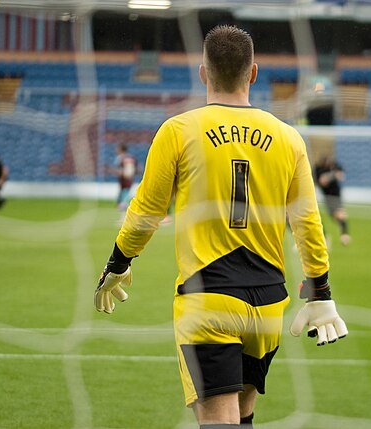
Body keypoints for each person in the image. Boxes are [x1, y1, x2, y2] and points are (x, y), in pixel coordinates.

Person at [94, 25, 348, 429]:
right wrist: (321, 289)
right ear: (253, 73)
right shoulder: (289, 138)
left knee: (218, 422)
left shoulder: (178, 130)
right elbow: (307, 223)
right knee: (242, 418)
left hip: (209, 299)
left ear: (203, 72)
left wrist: (118, 262)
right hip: (267, 305)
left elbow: (145, 211)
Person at [314, 156, 351, 245]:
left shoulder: (335, 165)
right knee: (335, 216)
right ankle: (330, 236)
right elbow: (322, 181)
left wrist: (330, 176)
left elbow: (341, 176)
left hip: (336, 195)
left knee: (340, 214)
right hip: (327, 197)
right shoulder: (317, 169)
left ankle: (344, 235)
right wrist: (333, 175)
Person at [113, 143, 139, 212]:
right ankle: (124, 205)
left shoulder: (120, 158)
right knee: (126, 192)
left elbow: (118, 169)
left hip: (123, 178)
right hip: (130, 178)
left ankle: (123, 207)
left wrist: (117, 172)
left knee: (123, 193)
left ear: (121, 149)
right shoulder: (131, 157)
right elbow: (137, 168)